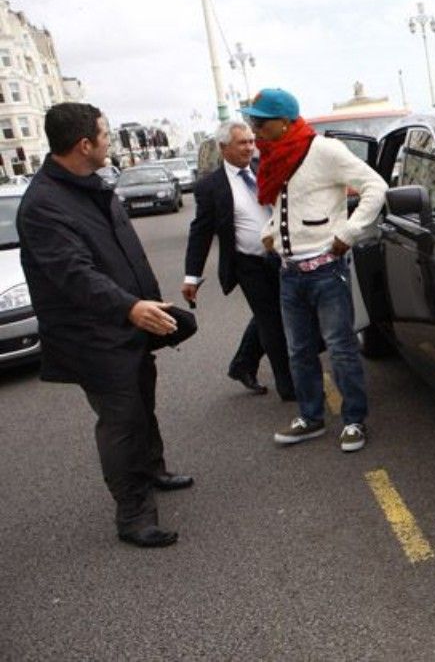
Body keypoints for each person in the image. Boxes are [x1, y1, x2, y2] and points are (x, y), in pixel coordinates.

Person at [17, 102, 191, 548]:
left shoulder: (91, 185)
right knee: (121, 421)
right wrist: (131, 307)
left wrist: (147, 306)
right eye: (105, 136)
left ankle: (153, 470)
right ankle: (133, 516)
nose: (109, 142)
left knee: (142, 403)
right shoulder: (43, 205)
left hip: (130, 324)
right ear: (84, 145)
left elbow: (123, 253)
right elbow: (75, 275)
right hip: (92, 337)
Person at [242, 89, 387, 452]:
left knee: (340, 349)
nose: (254, 128)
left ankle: (354, 420)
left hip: (326, 270)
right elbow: (283, 206)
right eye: (252, 121)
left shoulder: (324, 151)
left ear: (286, 122)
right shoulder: (274, 156)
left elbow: (376, 186)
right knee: (299, 351)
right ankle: (311, 417)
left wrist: (349, 233)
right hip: (289, 273)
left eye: (261, 121)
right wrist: (269, 233)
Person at [182, 120, 295, 401]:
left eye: (250, 141)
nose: (249, 147)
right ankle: (289, 387)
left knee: (281, 313)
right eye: (242, 143)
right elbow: (201, 231)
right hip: (248, 264)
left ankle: (243, 364)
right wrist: (191, 276)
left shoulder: (263, 168)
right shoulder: (210, 186)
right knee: (272, 323)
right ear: (223, 148)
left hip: (281, 258)